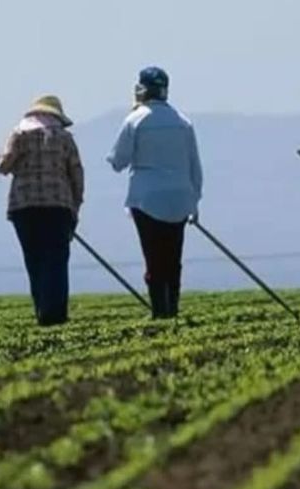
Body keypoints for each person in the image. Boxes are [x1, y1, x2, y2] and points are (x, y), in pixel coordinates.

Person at [107, 66, 203, 319]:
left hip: (146, 199)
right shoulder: (183, 122)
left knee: (154, 256)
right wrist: (194, 202)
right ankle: (172, 307)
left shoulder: (135, 120)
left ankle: (160, 311)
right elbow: (195, 166)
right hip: (180, 198)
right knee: (174, 257)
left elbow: (118, 161)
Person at [0, 95, 84, 326]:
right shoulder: (64, 138)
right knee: (56, 260)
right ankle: (56, 314)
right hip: (58, 206)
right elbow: (76, 174)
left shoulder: (20, 134)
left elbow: (5, 167)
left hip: (25, 207)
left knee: (34, 260)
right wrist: (76, 206)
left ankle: (42, 311)